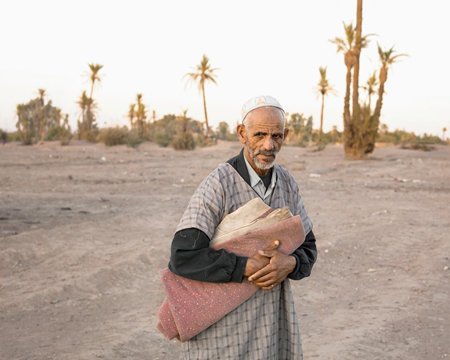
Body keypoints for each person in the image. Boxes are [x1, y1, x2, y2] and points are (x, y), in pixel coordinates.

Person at [168, 95, 317, 360]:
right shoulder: (219, 184)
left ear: (286, 135)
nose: (268, 145)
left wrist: (290, 264)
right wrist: (245, 267)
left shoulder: (287, 183)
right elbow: (183, 256)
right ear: (242, 134)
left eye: (277, 136)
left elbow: (308, 247)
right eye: (259, 134)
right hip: (224, 331)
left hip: (272, 325)